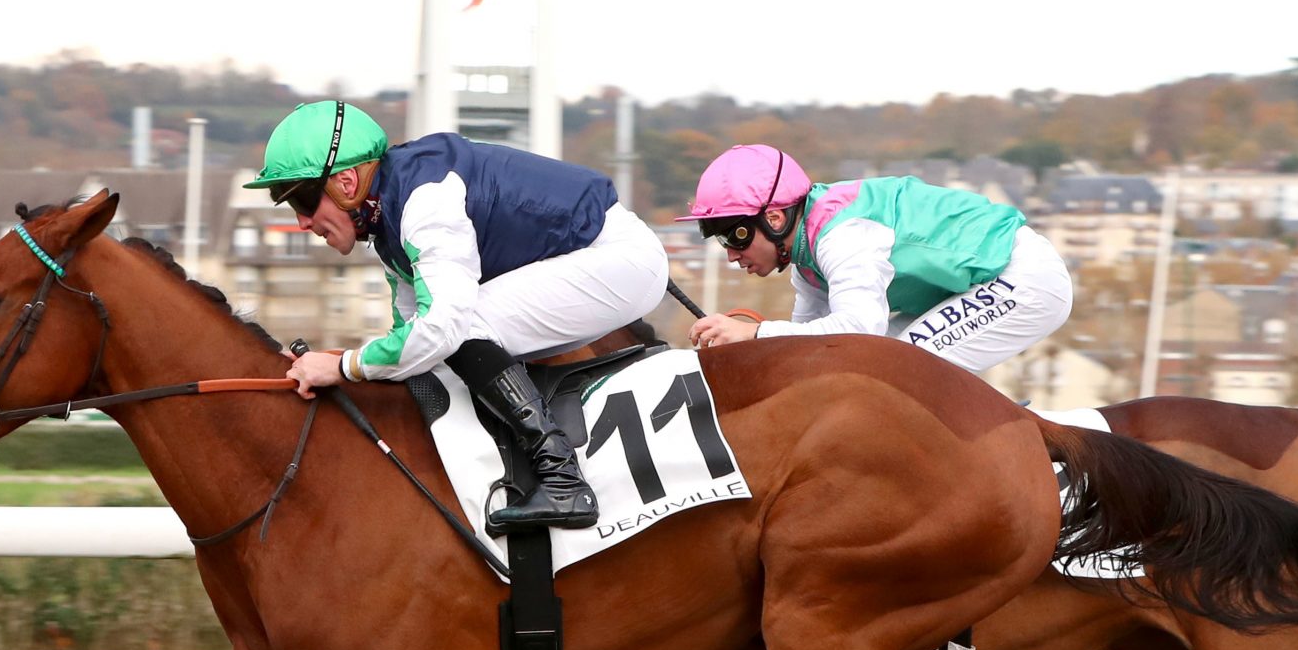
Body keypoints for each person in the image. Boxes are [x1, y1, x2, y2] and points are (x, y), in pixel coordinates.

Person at [245, 101, 669, 534]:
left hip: (617, 260)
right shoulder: (386, 219)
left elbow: (440, 331)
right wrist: (342, 365)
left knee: (461, 327)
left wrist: (341, 366)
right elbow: (408, 340)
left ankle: (563, 479)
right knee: (446, 336)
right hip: (594, 258)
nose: (300, 221)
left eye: (302, 199)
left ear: (347, 182)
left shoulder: (424, 203)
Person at [680, 145, 1072, 375]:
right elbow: (809, 355)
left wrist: (753, 334)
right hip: (978, 282)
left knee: (896, 371)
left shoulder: (842, 236)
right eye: (720, 240)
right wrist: (747, 353)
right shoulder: (807, 260)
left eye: (736, 235)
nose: (731, 254)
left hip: (1022, 277)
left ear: (775, 217)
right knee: (858, 369)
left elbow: (859, 328)